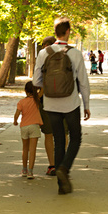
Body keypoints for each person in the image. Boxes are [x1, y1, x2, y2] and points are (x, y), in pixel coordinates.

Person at [33, 17, 90, 195]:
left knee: (58, 141)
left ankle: (61, 185)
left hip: (50, 104)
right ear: (68, 32)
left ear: (55, 31)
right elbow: (83, 82)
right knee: (75, 138)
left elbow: (36, 81)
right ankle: (64, 168)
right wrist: (86, 104)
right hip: (71, 103)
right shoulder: (74, 53)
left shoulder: (44, 53)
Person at [14, 82, 43, 179]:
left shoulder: (21, 102)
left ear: (25, 91)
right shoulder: (37, 99)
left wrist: (15, 121)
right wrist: (38, 86)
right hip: (34, 126)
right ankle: (30, 172)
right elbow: (43, 89)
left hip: (24, 126)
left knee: (25, 149)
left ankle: (24, 170)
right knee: (33, 150)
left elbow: (17, 113)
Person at [39, 35, 58, 176]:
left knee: (49, 134)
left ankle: (52, 165)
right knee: (63, 133)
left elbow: (37, 80)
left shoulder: (42, 57)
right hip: (65, 99)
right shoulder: (67, 55)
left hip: (47, 100)